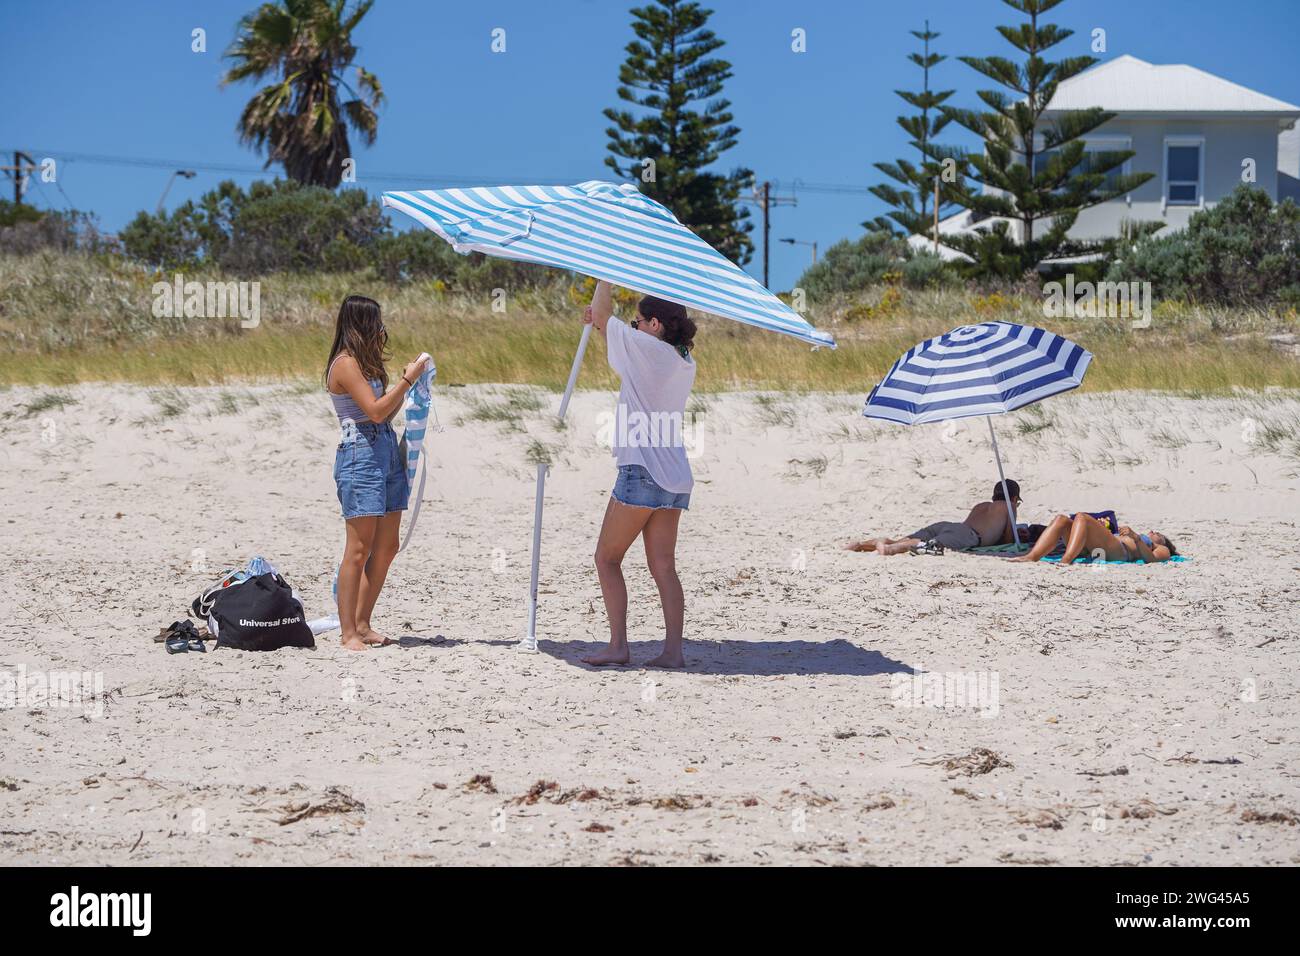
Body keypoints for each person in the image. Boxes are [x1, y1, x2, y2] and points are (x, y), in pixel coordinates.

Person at [581, 280, 696, 668]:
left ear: (655, 324)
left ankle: (618, 645)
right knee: (664, 567)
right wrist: (606, 325)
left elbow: (600, 315)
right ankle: (673, 652)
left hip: (642, 469)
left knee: (606, 558)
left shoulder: (645, 347)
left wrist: (604, 278)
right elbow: (605, 323)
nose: (633, 326)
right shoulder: (683, 359)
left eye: (638, 321)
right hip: (675, 475)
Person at [324, 294, 428, 651]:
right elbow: (375, 410)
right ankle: (348, 631)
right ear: (362, 324)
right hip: (360, 455)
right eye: (377, 323)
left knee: (387, 546)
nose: (382, 330)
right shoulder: (344, 364)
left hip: (384, 448)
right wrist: (407, 382)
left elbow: (385, 414)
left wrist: (409, 389)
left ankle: (363, 623)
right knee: (359, 547)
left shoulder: (367, 364)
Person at [844, 480, 1022, 555]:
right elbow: (1007, 540)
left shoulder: (982, 505)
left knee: (910, 538)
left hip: (952, 526)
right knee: (926, 545)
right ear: (1014, 497)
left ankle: (863, 544)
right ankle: (889, 550)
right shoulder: (1010, 505)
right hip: (969, 536)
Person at [1009, 512, 1176, 564]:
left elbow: (1153, 561)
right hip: (1098, 548)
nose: (1154, 532)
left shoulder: (1161, 548)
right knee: (1062, 520)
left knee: (1082, 517)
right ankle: (1032, 556)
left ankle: (1066, 560)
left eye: (1159, 534)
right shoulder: (1137, 536)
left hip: (1120, 552)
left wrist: (1137, 539)